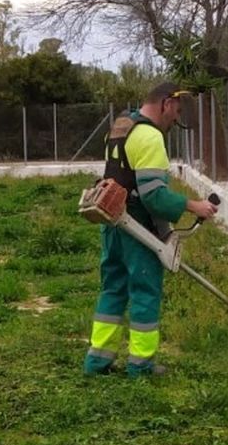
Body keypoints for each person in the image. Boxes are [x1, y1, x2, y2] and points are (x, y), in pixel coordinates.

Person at [84, 80, 217, 377]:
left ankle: (97, 361)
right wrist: (194, 206)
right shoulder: (150, 137)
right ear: (166, 103)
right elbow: (154, 195)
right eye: (176, 111)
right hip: (137, 226)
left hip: (111, 218)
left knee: (113, 288)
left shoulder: (120, 127)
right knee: (144, 290)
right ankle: (140, 365)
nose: (176, 119)